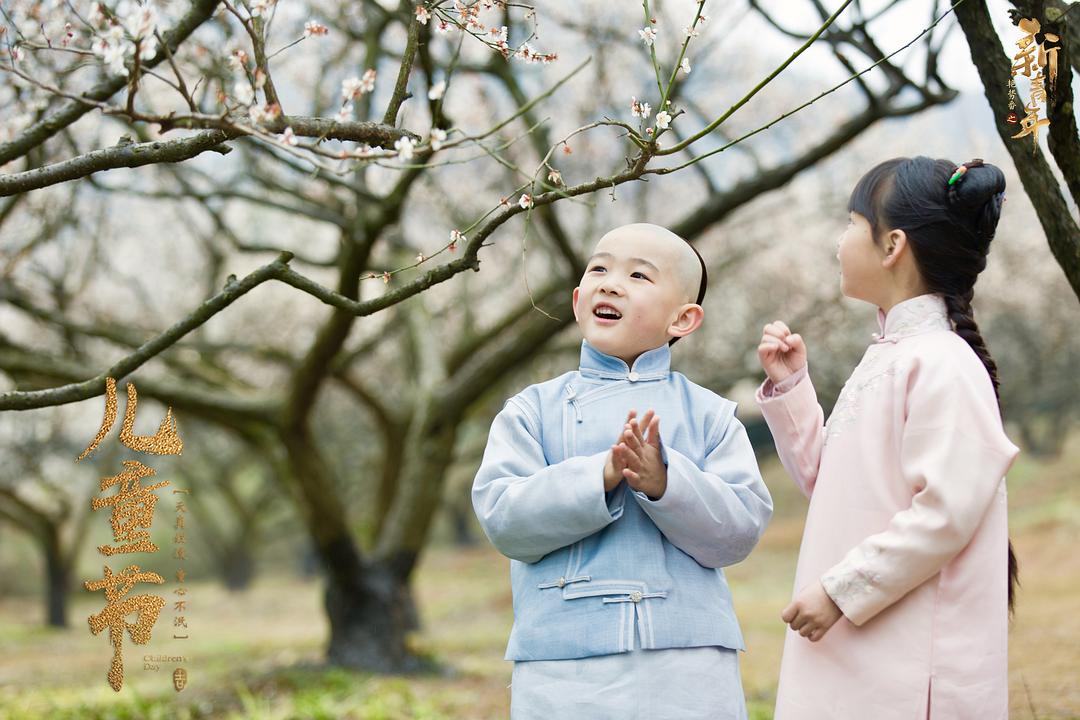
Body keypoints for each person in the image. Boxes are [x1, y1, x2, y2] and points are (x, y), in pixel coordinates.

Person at [472, 222, 773, 719]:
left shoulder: (711, 415)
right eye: (599, 269)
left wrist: (665, 482)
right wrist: (601, 474)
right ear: (577, 301)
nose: (610, 283)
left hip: (687, 658)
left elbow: (738, 533)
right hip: (564, 660)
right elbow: (505, 520)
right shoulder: (531, 411)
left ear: (684, 318)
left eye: (638, 275)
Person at [756, 157, 1021, 719]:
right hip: (860, 639)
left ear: (892, 243)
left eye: (852, 224)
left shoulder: (943, 362)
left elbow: (945, 512)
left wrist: (841, 591)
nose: (839, 241)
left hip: (906, 657)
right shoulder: (894, 355)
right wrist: (794, 389)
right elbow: (833, 487)